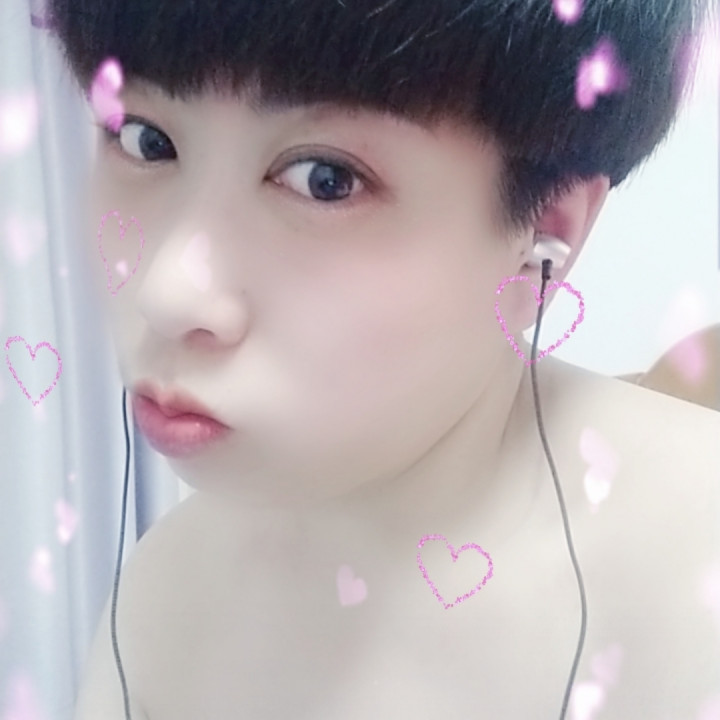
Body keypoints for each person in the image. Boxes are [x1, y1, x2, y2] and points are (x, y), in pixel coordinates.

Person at [47, 0, 719, 717]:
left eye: (325, 179)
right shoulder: (168, 597)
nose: (167, 292)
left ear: (542, 235)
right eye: (146, 140)